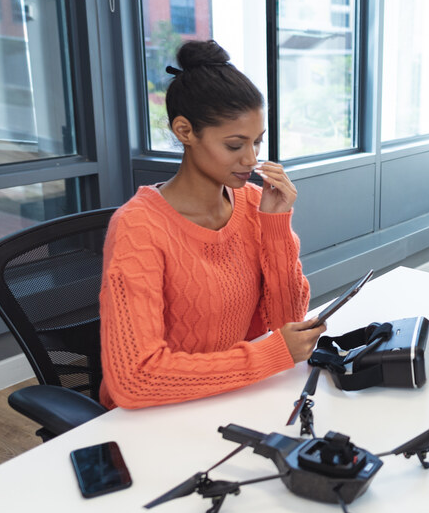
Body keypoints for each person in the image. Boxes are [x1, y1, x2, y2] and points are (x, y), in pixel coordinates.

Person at [99, 40, 324, 408]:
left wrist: (275, 224)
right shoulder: (138, 229)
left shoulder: (254, 203)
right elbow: (135, 379)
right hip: (155, 416)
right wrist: (268, 356)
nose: (251, 159)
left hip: (228, 397)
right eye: (235, 145)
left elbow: (286, 321)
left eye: (257, 142)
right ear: (185, 131)